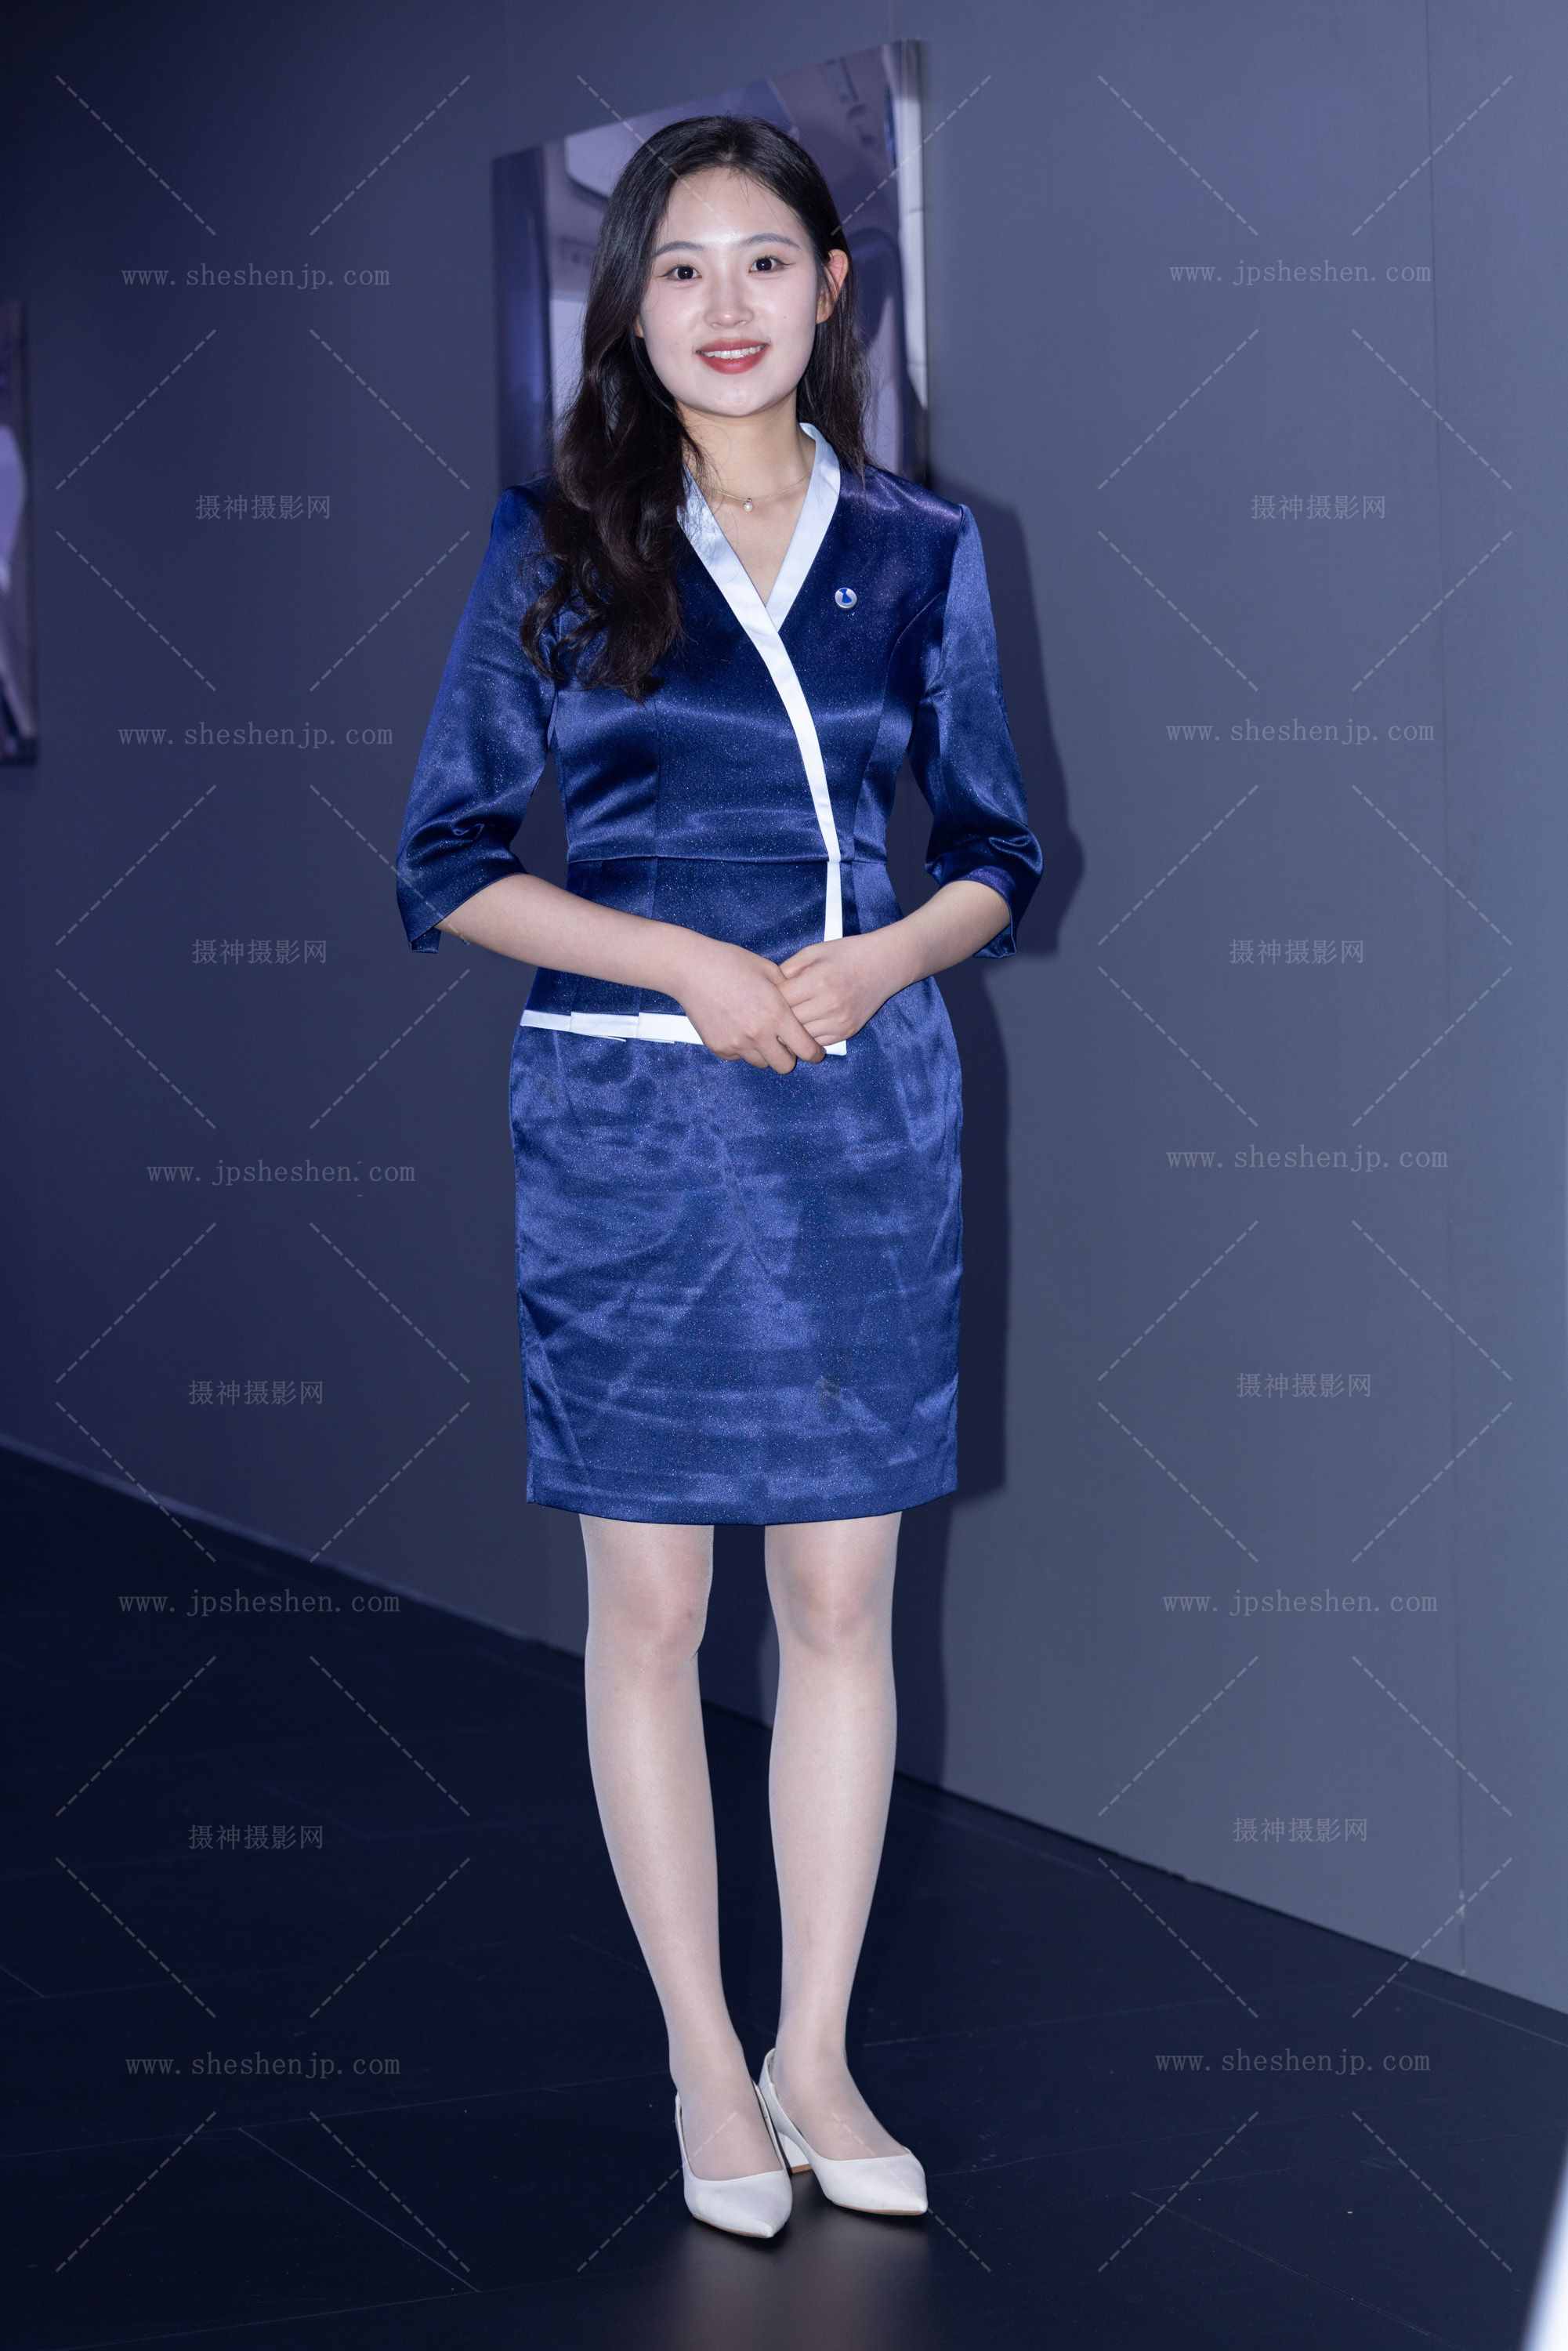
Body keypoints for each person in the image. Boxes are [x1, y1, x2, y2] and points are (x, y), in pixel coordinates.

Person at [394, 114, 1042, 2240]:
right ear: (630, 307)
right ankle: (700, 2056)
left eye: (766, 259)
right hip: (633, 1131)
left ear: (832, 287)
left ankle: (815, 2052)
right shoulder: (555, 541)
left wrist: (885, 955)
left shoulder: (920, 548)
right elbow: (446, 867)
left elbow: (1001, 853)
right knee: (654, 1607)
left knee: (842, 1601)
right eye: (679, 267)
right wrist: (677, 956)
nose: (726, 303)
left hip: (861, 1109)